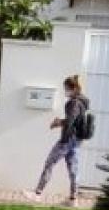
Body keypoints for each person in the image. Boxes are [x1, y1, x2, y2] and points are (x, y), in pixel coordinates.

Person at [35, 73, 92, 201]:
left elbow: (71, 121)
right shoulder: (82, 102)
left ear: (74, 89)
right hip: (77, 140)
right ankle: (73, 198)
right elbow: (74, 120)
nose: (65, 91)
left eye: (66, 88)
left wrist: (61, 132)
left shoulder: (74, 103)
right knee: (73, 169)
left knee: (49, 163)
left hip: (68, 139)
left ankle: (37, 193)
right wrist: (61, 122)